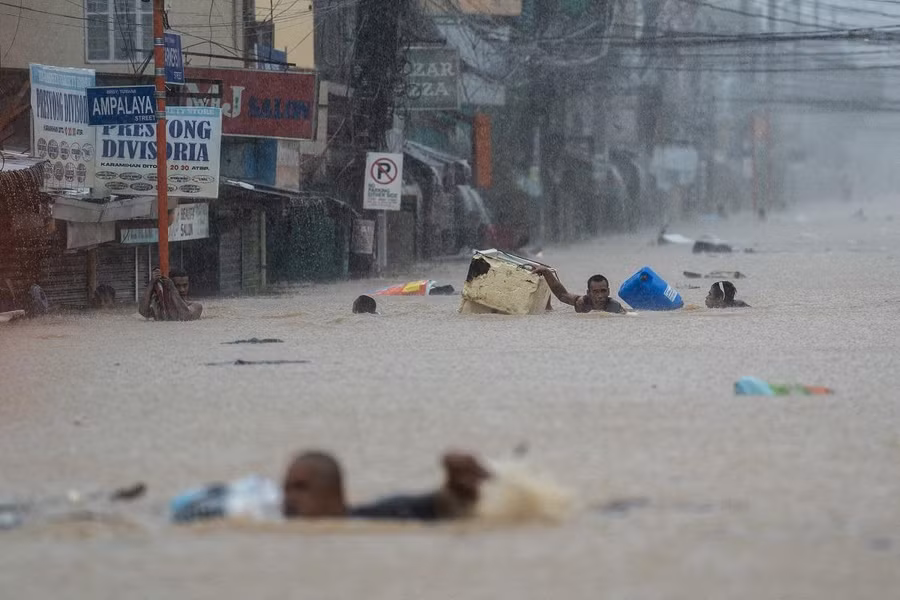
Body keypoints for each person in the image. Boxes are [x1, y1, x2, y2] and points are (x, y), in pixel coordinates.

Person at [282, 451, 491, 521]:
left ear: (334, 494)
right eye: (286, 489)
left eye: (301, 488)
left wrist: (457, 484)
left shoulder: (387, 513)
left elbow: (444, 503)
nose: (288, 497)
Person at [531, 266, 627, 314]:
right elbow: (562, 295)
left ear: (608, 291)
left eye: (603, 291)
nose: (600, 295)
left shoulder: (615, 307)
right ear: (588, 293)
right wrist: (546, 272)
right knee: (549, 312)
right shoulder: (582, 303)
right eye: (595, 292)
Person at [138, 267, 202, 321]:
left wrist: (172, 288)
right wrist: (152, 283)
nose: (182, 289)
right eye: (177, 286)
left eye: (185, 285)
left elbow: (186, 317)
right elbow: (143, 312)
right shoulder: (161, 307)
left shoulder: (196, 306)